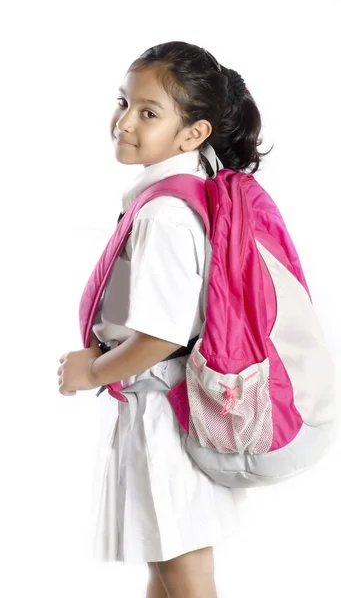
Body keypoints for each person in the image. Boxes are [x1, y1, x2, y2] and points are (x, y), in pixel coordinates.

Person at [58, 40, 271, 598]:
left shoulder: (165, 215)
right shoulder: (170, 198)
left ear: (193, 133)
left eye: (148, 112)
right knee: (165, 567)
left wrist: (93, 370)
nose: (124, 121)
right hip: (168, 410)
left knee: (184, 574)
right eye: (124, 102)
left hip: (168, 418)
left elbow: (162, 335)